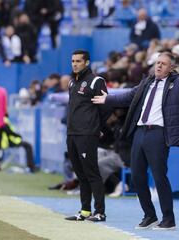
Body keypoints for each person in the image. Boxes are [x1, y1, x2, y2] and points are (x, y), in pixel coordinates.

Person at [91, 52, 179, 230]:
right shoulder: (147, 81)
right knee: (137, 177)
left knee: (159, 176)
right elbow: (128, 96)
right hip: (140, 132)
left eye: (163, 64)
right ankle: (149, 215)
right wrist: (107, 99)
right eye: (157, 63)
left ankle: (168, 219)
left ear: (171, 68)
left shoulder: (178, 83)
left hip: (158, 134)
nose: (158, 66)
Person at [64, 49, 111, 222]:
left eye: (78, 61)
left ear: (87, 62)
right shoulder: (71, 83)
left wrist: (96, 126)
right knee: (80, 173)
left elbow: (106, 106)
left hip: (87, 134)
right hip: (72, 133)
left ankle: (100, 212)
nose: (75, 64)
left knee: (91, 172)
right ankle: (84, 210)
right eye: (73, 61)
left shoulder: (96, 81)